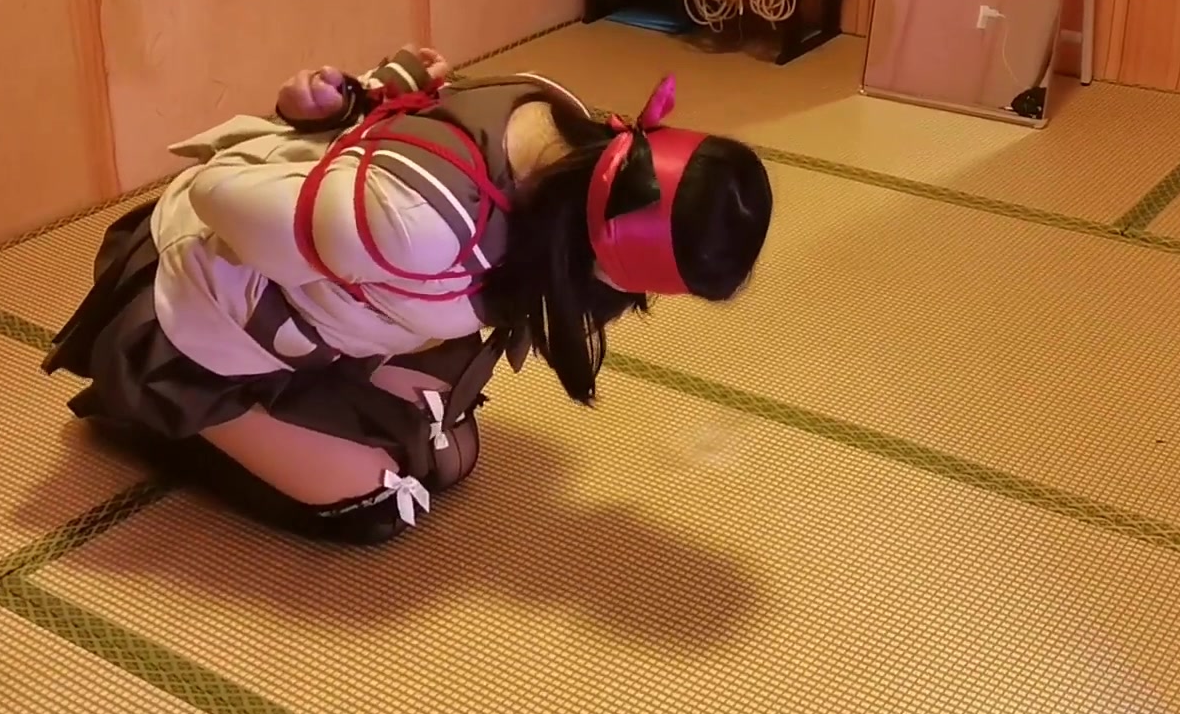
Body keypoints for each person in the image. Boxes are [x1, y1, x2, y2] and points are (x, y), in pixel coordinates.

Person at [43, 45, 773, 544]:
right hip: (198, 310)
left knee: (451, 456)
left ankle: (296, 403)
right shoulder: (417, 228)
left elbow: (396, 116)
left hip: (330, 297)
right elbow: (213, 192)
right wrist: (317, 152)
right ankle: (163, 413)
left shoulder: (557, 118)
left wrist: (347, 114)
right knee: (376, 506)